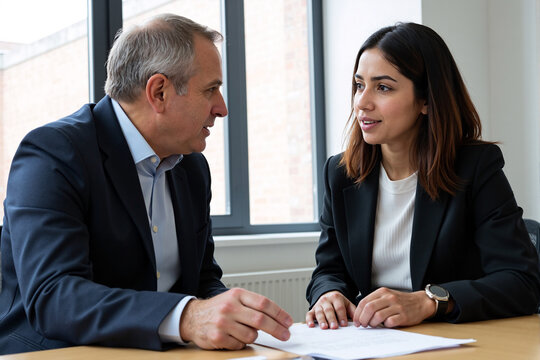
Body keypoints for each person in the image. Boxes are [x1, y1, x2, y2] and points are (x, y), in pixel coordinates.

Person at [0, 14, 292, 355]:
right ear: (159, 92)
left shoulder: (193, 168)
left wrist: (232, 313)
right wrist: (187, 318)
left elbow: (201, 279)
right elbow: (54, 297)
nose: (222, 109)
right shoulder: (54, 153)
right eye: (211, 89)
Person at [305, 22, 540, 330]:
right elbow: (328, 270)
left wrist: (430, 301)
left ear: (427, 100)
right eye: (359, 85)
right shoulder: (340, 174)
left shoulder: (476, 167)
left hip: (456, 341)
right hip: (375, 340)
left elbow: (522, 281)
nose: (362, 102)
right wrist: (329, 293)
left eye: (383, 87)